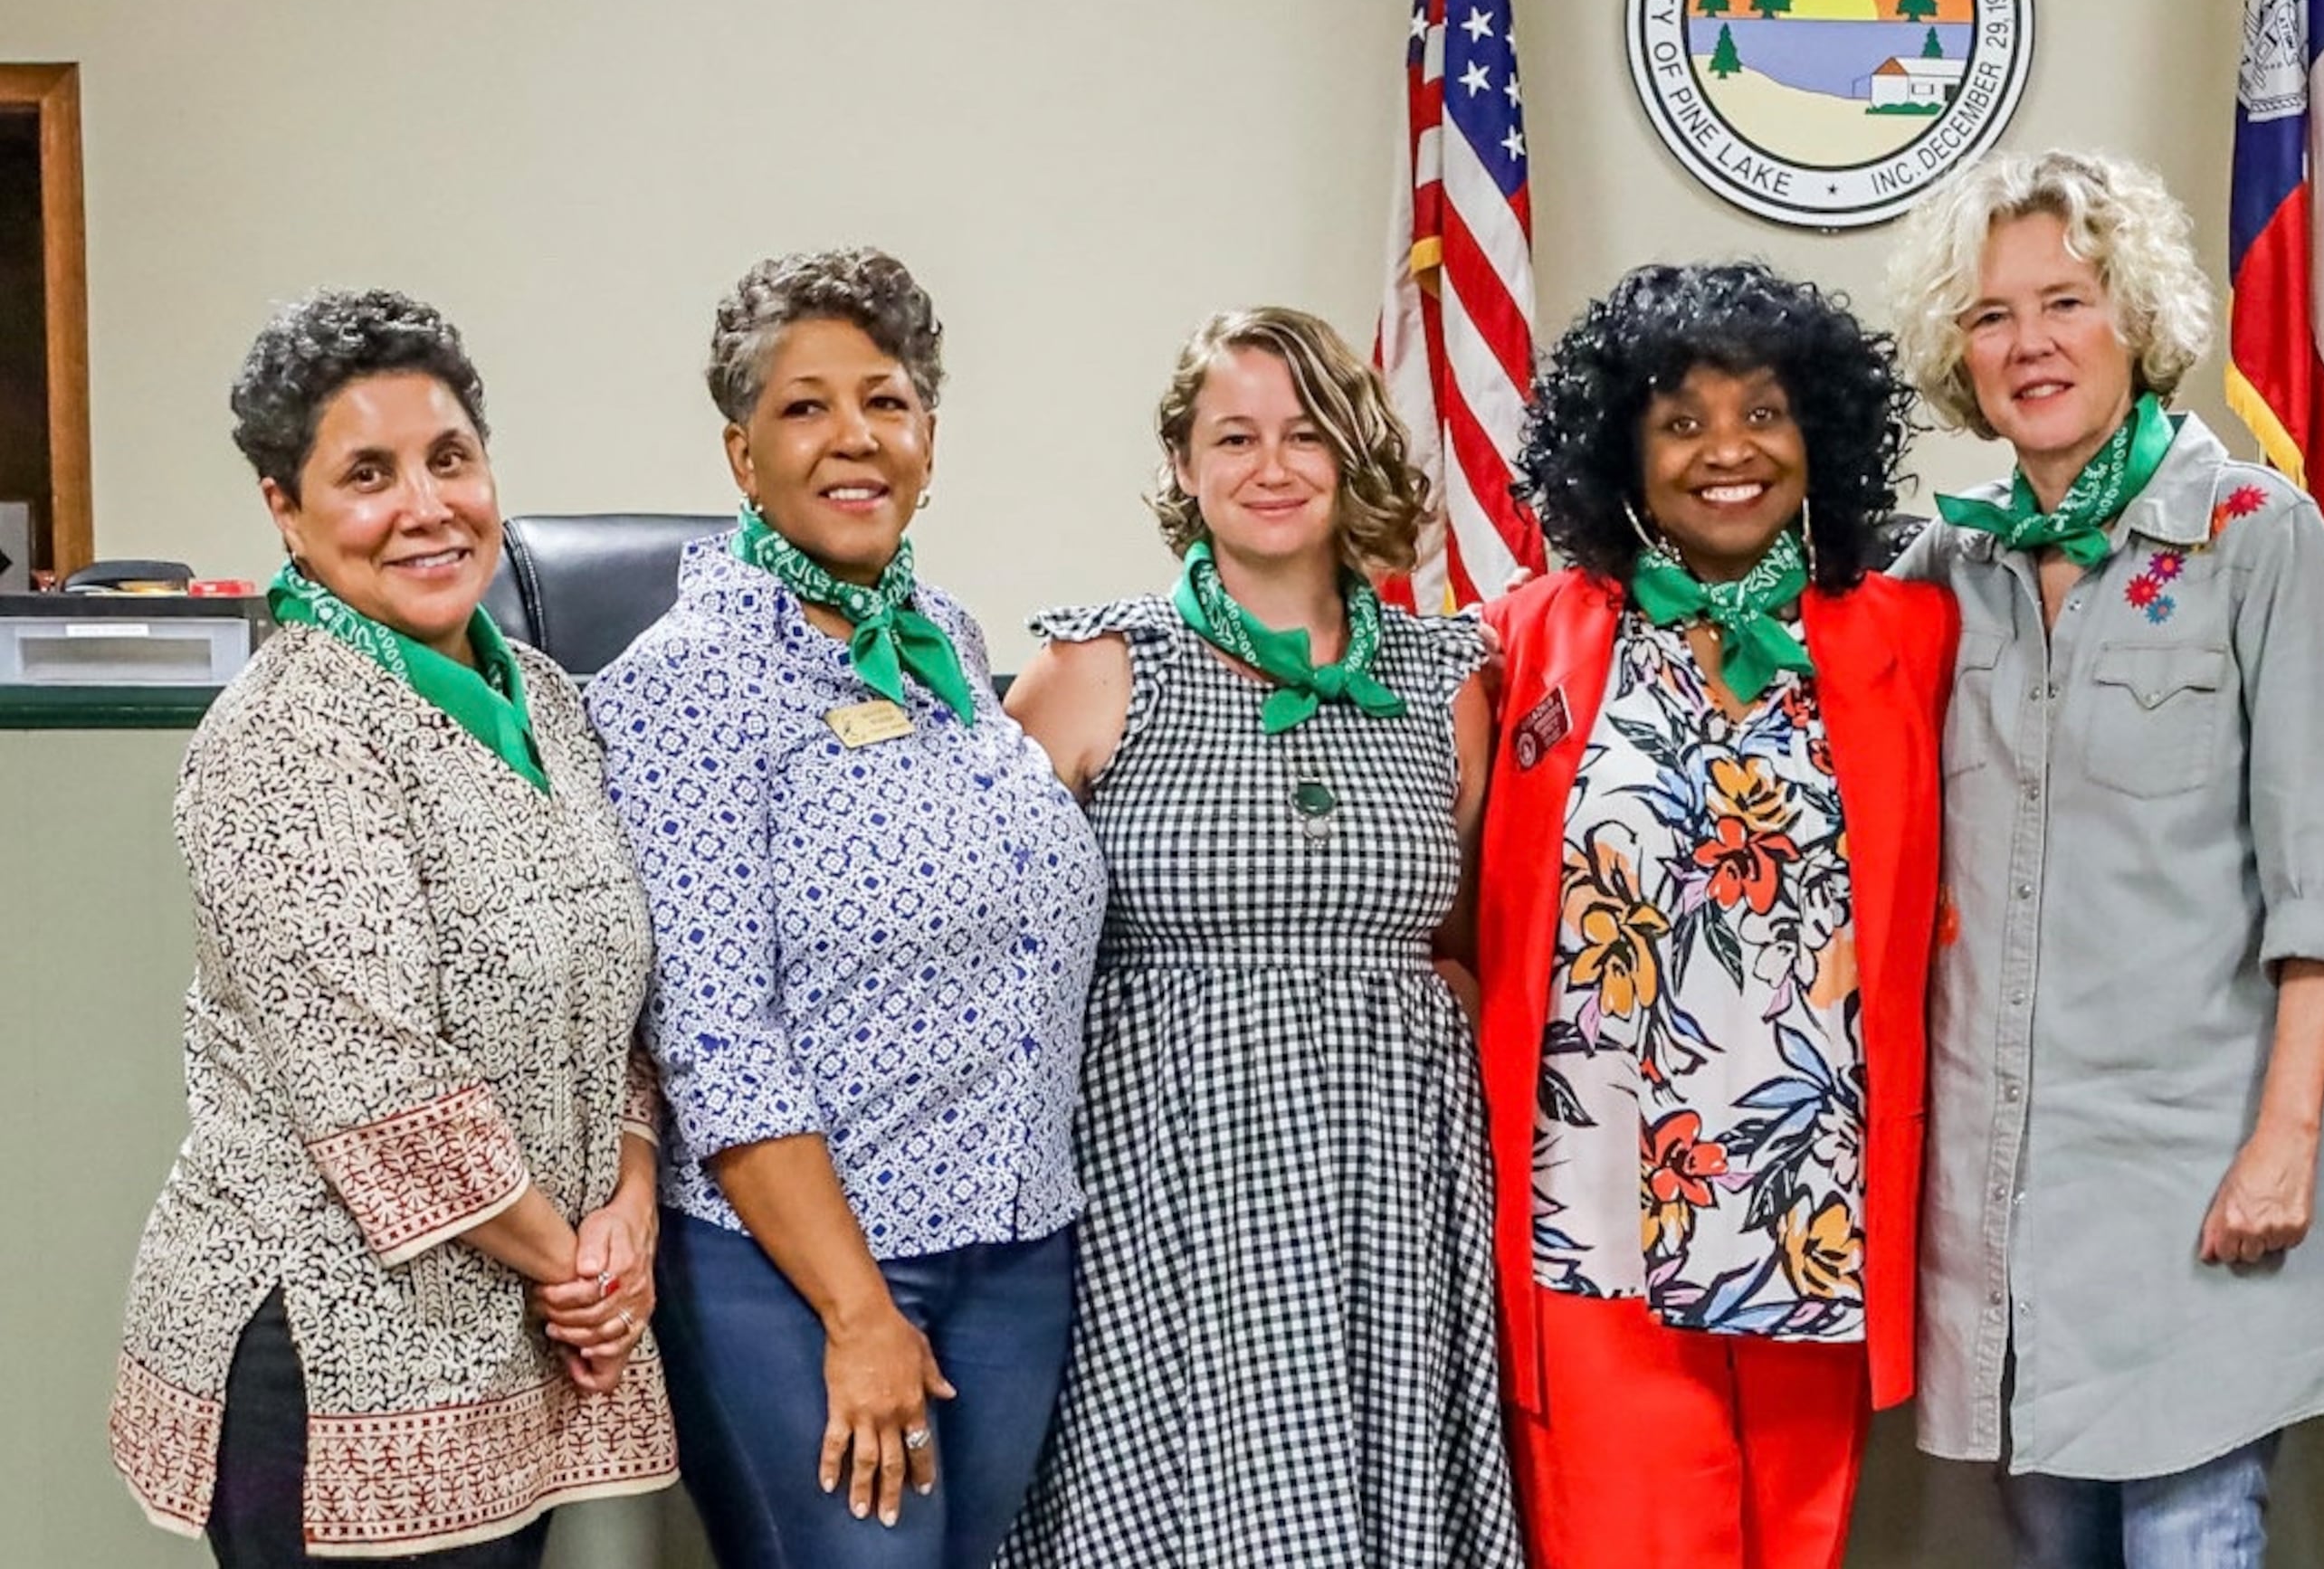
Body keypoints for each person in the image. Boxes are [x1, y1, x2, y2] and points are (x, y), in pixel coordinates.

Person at [1881, 149, 2324, 1569]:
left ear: (2139, 318)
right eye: (1991, 316)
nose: (2029, 343)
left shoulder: (2258, 540)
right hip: (2005, 1203)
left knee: (2195, 1533)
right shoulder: (1943, 571)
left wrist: (2285, 1142)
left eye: (2067, 300)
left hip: (2195, 1177)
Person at [110, 290, 676, 1565]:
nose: (426, 506)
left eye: (450, 459)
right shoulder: (281, 740)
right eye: (367, 474)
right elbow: (379, 1089)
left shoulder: (542, 699)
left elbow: (621, 1003)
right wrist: (580, 1272)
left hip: (507, 1336)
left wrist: (631, 1204)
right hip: (329, 1358)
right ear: (286, 511)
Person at [588, 249, 1106, 1568]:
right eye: (805, 407)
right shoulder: (683, 684)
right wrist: (859, 1310)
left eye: (885, 401)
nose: (853, 439)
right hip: (805, 1274)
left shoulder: (952, 640)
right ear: (740, 453)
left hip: (1014, 1247)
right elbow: (716, 1035)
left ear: (928, 435)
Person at [997, 307, 1523, 1567]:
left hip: (1391, 1182)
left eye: (1306, 434)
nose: (1272, 466)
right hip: (1162, 1179)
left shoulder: (1449, 677)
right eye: (1234, 436)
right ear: (1184, 463)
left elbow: (1459, 940)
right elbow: (987, 936)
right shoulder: (1101, 667)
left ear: (1353, 458)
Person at [1474, 262, 1953, 1569]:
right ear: (1620, 447)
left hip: (1817, 1205)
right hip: (1597, 1209)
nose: (1728, 452)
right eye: (1682, 422)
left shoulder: (1911, 637)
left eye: (1764, 414)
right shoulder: (1527, 642)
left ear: (1821, 437)